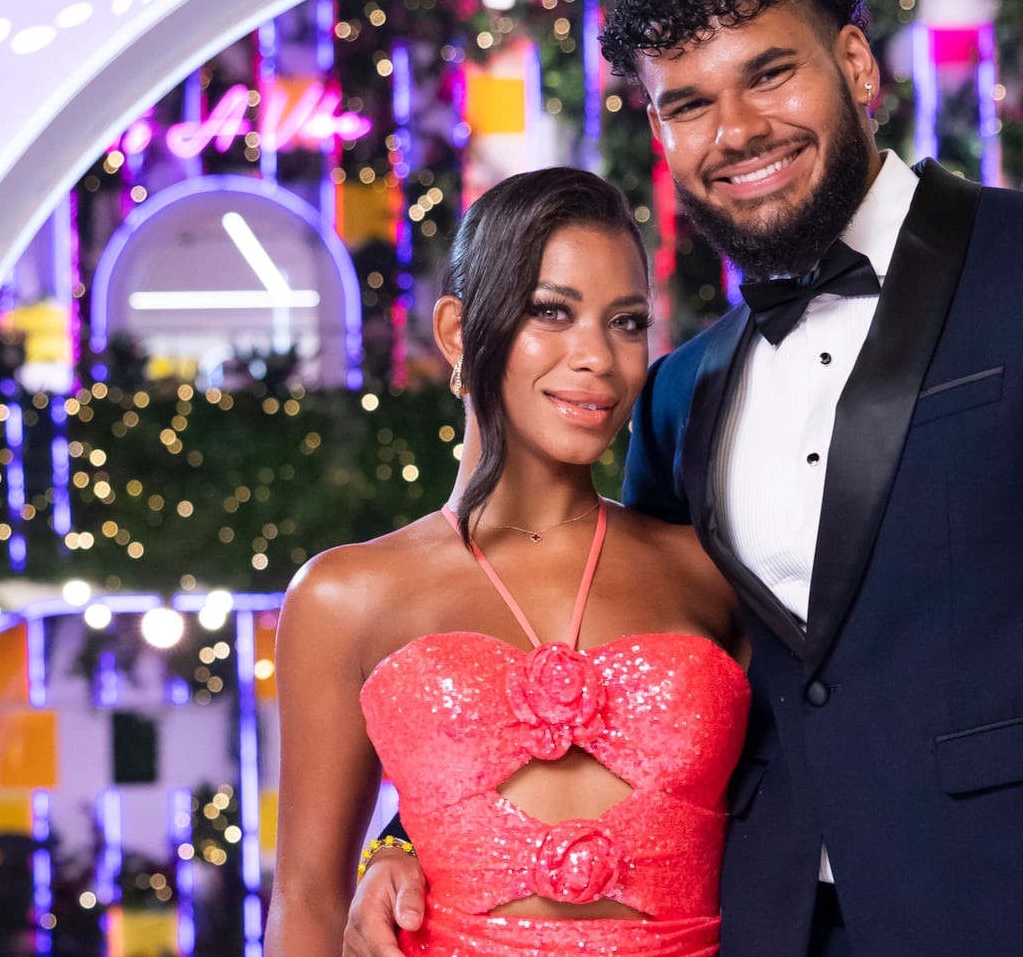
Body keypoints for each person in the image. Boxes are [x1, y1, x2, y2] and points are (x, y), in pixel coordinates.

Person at [350, 0, 1023, 956]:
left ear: (856, 65)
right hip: (759, 922)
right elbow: (596, 655)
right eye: (687, 103)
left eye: (769, 74)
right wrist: (409, 837)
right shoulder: (684, 387)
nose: (734, 130)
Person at [266, 167, 747, 957]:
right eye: (552, 312)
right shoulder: (341, 596)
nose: (596, 356)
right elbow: (307, 896)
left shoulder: (706, 573)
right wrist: (396, 848)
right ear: (457, 331)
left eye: (626, 323)